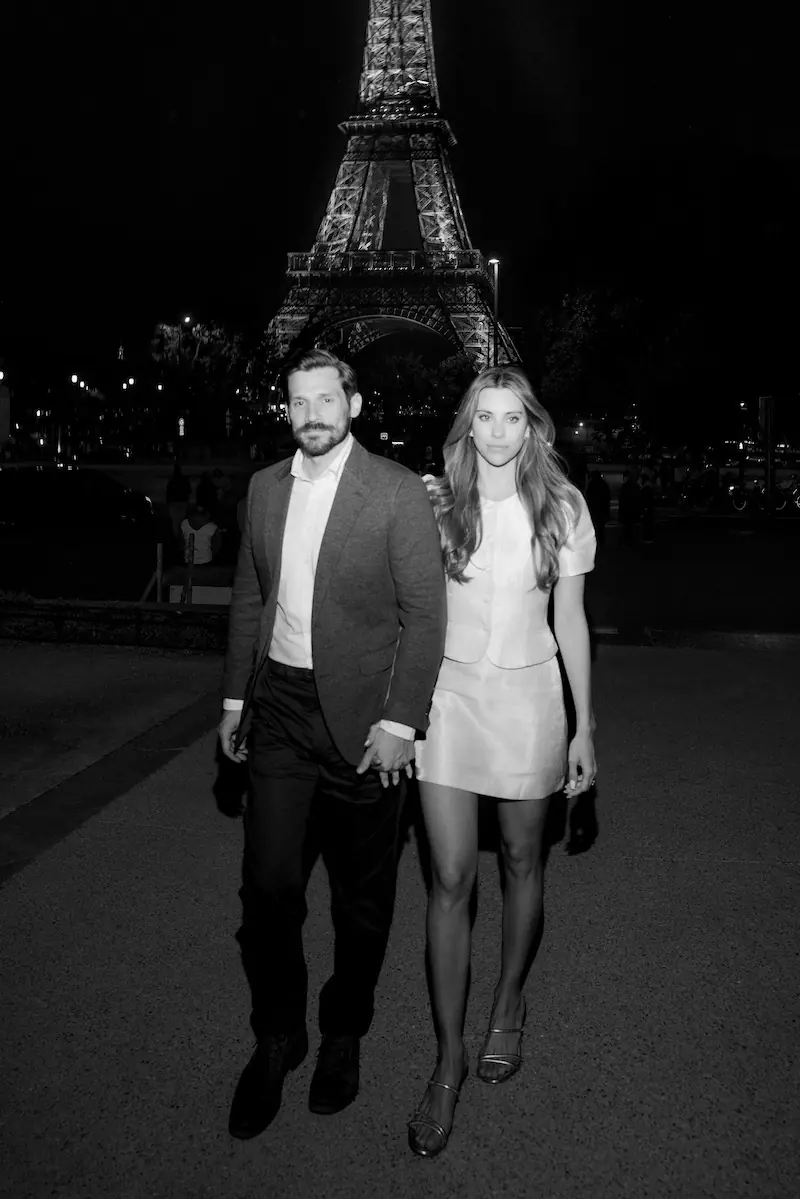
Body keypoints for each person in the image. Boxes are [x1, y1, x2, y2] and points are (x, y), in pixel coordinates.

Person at [218, 349, 446, 1140]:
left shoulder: (394, 490)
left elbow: (426, 613)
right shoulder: (264, 487)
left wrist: (401, 720)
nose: (310, 414)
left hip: (363, 717)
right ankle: (279, 1032)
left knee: (361, 898)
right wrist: (235, 698)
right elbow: (250, 594)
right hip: (279, 708)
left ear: (353, 403)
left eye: (325, 399)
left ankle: (344, 1027)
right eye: (298, 401)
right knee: (268, 886)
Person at [406, 365, 597, 1159]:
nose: (496, 431)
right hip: (448, 701)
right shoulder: (434, 503)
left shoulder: (564, 506)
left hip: (527, 700)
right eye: (483, 416)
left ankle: (509, 1002)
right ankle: (446, 1058)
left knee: (523, 861)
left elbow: (572, 621)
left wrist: (585, 728)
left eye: (511, 417)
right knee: (450, 877)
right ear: (467, 425)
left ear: (532, 426)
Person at [165, 460, 191, 541]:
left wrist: (168, 502)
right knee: (182, 520)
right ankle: (182, 537)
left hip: (174, 503)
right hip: (182, 502)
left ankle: (176, 537)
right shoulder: (184, 480)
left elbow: (168, 492)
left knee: (175, 522)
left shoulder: (172, 480)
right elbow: (189, 490)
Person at [585, 469, 611, 546]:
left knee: (595, 527)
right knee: (601, 527)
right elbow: (607, 497)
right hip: (602, 509)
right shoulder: (604, 484)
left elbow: (589, 497)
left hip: (594, 510)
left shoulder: (591, 484)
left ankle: (597, 543)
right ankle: (601, 542)